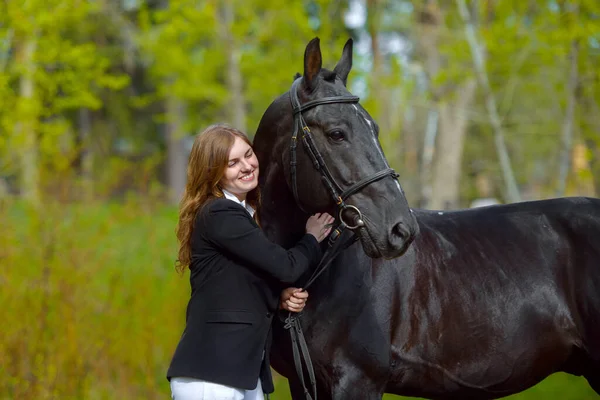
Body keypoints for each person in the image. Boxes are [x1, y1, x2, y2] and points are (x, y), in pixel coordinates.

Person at [167, 124, 334, 400]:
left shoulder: (242, 213)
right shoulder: (220, 212)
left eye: (248, 154)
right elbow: (287, 266)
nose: (247, 166)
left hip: (242, 374)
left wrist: (278, 296)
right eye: (232, 163)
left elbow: (234, 284)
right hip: (212, 376)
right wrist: (312, 238)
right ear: (213, 172)